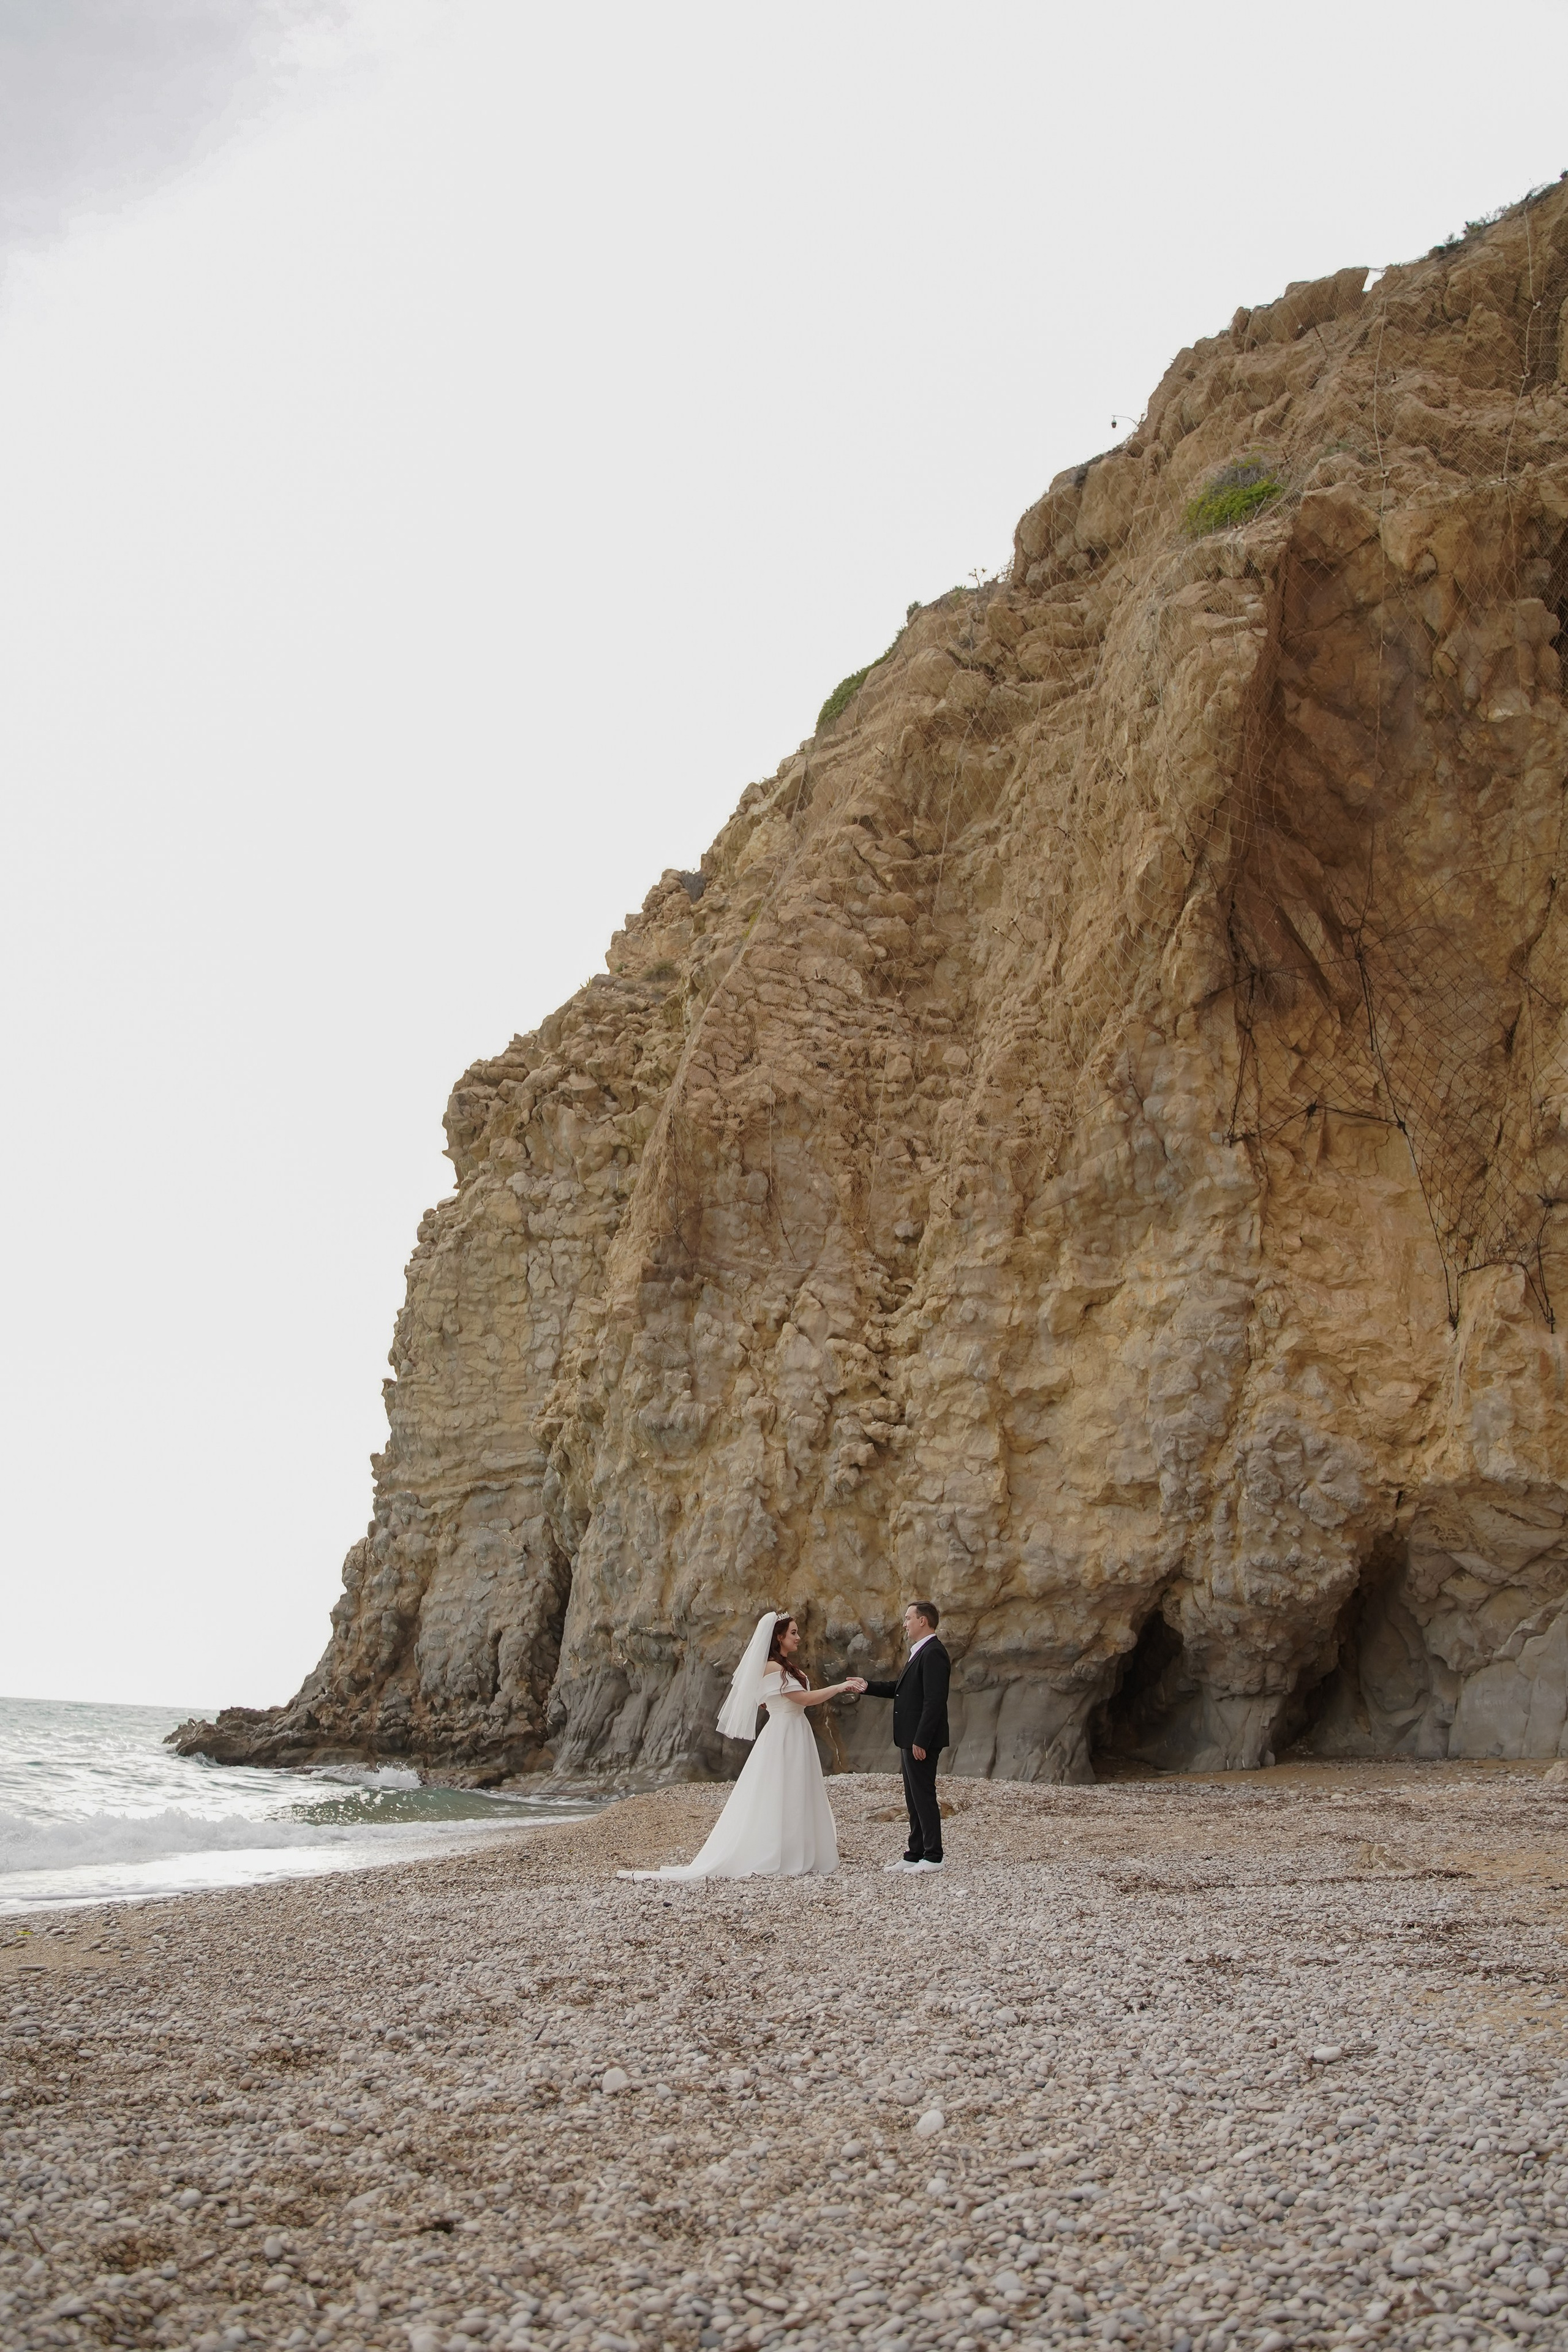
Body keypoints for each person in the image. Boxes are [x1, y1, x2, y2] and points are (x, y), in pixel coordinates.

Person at [617, 1611, 856, 1880]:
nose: (799, 1637)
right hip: (785, 1732)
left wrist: (772, 1701)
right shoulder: (773, 1668)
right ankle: (781, 1851)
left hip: (793, 1729)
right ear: (779, 1637)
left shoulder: (782, 1667)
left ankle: (795, 1849)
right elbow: (803, 1699)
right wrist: (839, 1687)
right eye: (793, 1633)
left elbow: (769, 1698)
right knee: (783, 1787)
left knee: (795, 1786)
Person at [845, 1600, 950, 1872]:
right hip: (910, 1738)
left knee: (924, 1795)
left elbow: (934, 1702)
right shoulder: (919, 1652)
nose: (905, 1624)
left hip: (920, 1740)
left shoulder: (934, 1653)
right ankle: (915, 1853)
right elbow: (900, 1689)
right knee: (913, 1797)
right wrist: (866, 1687)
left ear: (923, 1621)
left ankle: (934, 1856)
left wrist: (921, 1740)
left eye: (908, 1619)